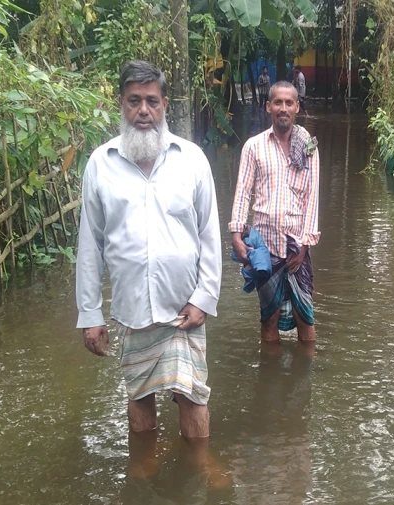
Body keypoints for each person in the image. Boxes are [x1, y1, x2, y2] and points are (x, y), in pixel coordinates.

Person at [76, 60, 222, 439]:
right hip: (133, 308)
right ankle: (143, 471)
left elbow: (209, 233)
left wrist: (205, 298)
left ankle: (199, 466)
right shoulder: (101, 163)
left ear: (165, 104)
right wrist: (89, 314)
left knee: (193, 395)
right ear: (121, 103)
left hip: (184, 309)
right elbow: (90, 243)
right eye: (134, 101)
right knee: (139, 394)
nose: (144, 111)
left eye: (152, 101)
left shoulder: (191, 160)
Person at [229, 81, 320, 344]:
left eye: (289, 103)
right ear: (268, 107)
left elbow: (312, 198)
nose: (283, 108)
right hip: (265, 247)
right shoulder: (253, 146)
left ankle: (306, 380)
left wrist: (304, 246)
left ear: (297, 107)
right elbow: (243, 192)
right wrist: (236, 234)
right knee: (269, 317)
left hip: (296, 247)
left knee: (306, 316)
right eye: (277, 102)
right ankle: (270, 379)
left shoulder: (308, 148)